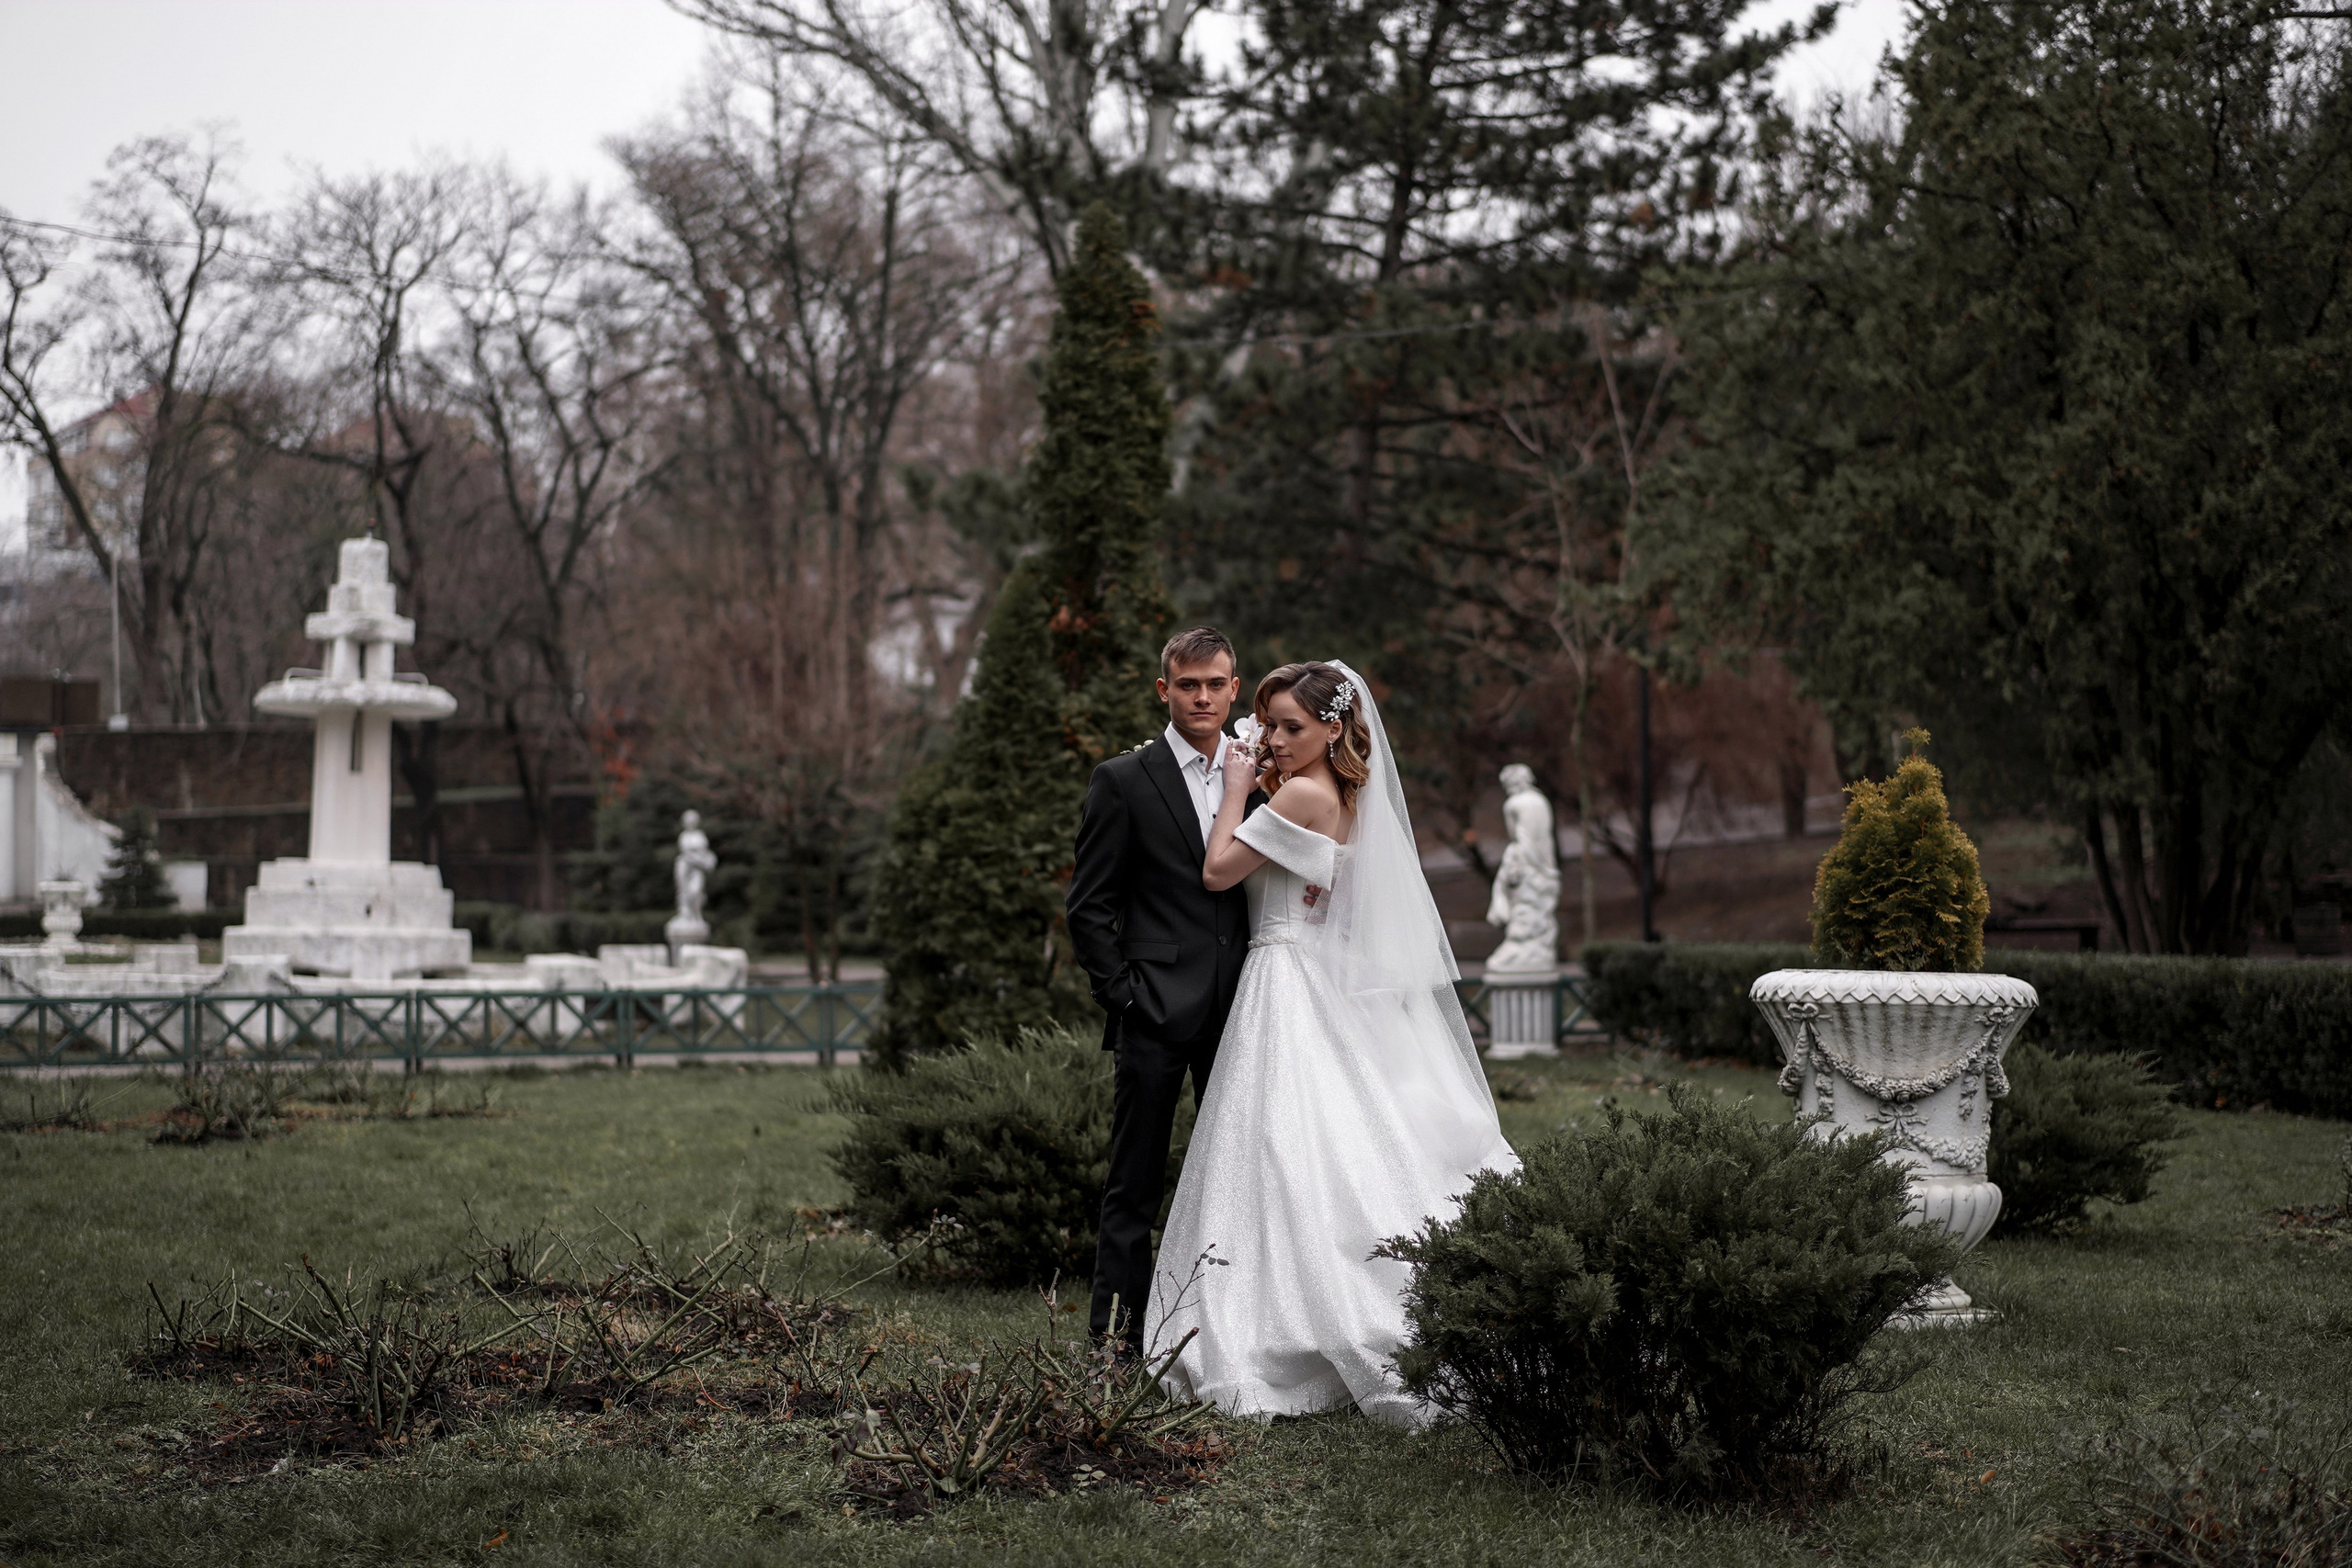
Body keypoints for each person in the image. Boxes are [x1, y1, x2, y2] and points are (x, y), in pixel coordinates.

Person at [1148, 660, 1519, 1425]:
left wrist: (1237, 787)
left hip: (1284, 974)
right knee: (1313, 1139)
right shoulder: (1340, 794)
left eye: (1292, 726)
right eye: (1269, 724)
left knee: (1283, 1143)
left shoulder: (1304, 794)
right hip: (1311, 970)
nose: (1275, 738)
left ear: (1332, 728)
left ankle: (1301, 1314)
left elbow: (1219, 871)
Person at [1067, 626, 1267, 1349]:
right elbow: (1088, 906)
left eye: (1215, 684)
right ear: (1165, 689)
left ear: (1234, 688)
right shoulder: (1123, 779)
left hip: (1242, 1009)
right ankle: (1114, 1344)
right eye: (1188, 684)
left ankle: (1225, 1337)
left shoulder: (1262, 776)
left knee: (1238, 1179)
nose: (1202, 696)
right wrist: (1124, 996)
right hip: (1152, 1009)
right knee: (1134, 1184)